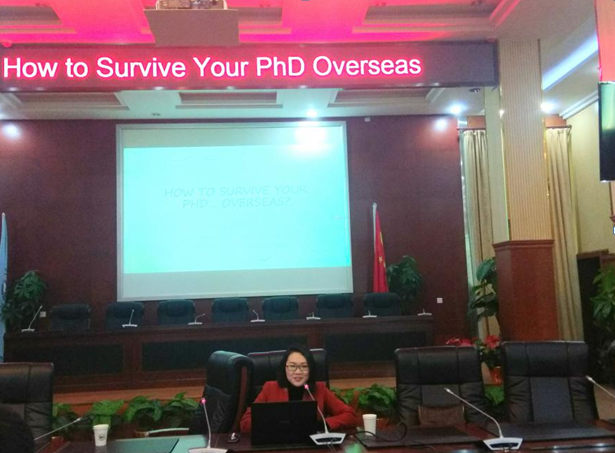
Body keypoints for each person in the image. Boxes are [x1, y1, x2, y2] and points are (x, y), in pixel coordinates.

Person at [240, 345, 356, 433]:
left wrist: (323, 424)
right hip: (279, 444)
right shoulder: (270, 388)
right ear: (285, 368)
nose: (298, 372)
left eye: (304, 366)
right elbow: (245, 422)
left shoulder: (320, 389)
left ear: (310, 369)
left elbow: (350, 415)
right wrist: (273, 426)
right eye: (292, 366)